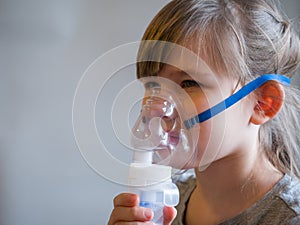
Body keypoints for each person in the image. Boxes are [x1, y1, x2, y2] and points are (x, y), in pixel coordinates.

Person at [108, 0, 300, 224]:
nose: (160, 107)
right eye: (153, 85)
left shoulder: (288, 218)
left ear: (263, 103)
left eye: (189, 83)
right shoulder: (166, 203)